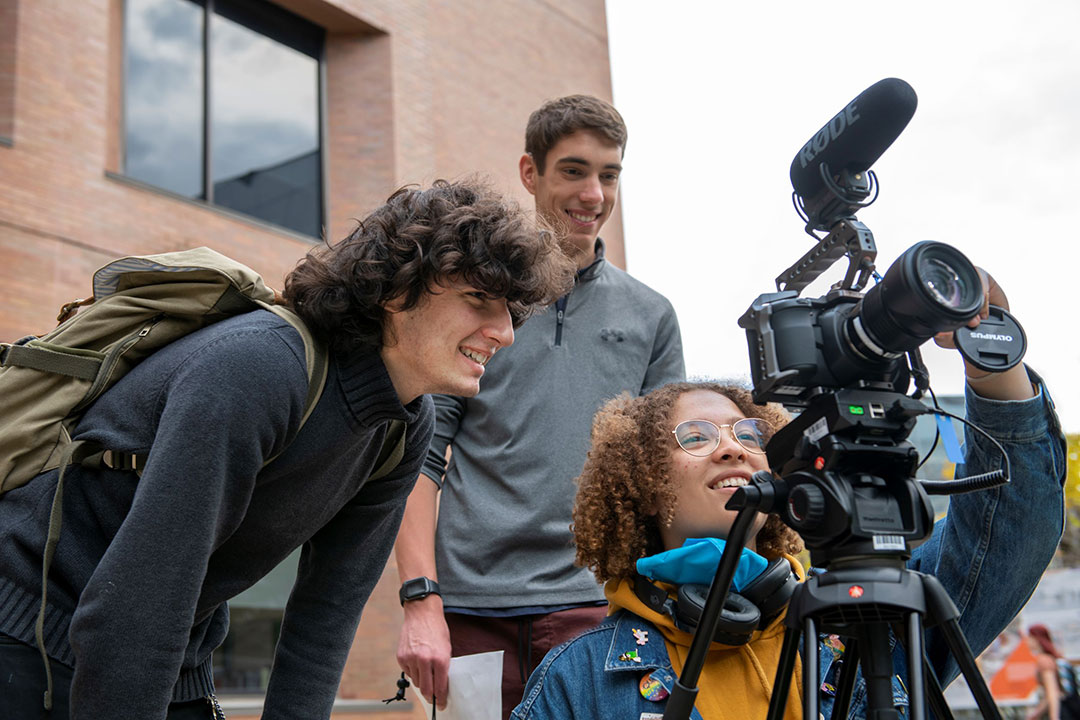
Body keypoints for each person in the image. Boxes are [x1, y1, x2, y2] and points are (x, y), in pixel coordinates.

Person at [0, 178, 576, 720]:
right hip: (29, 628)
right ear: (399, 291)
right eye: (479, 298)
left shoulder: (402, 426)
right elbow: (139, 600)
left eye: (511, 310)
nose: (504, 331)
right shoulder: (259, 368)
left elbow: (325, 619)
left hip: (168, 654)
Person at [511, 277, 1067, 719]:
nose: (732, 449)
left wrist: (994, 355)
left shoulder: (872, 620)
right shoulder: (577, 680)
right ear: (642, 488)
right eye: (696, 438)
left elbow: (1010, 528)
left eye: (749, 436)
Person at [395, 95, 685, 717]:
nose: (594, 194)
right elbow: (419, 459)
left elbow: (667, 473)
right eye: (574, 171)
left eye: (609, 175)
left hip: (600, 605)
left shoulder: (650, 315)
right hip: (470, 613)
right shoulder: (473, 305)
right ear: (531, 174)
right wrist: (421, 601)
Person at [1026, 624, 1080, 720]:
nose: (1027, 641)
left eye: (1029, 637)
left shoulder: (1044, 660)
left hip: (1062, 711)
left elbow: (1053, 693)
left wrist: (1054, 717)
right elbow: (1053, 694)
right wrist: (1035, 714)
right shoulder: (1056, 658)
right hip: (1073, 708)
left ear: (1036, 639)